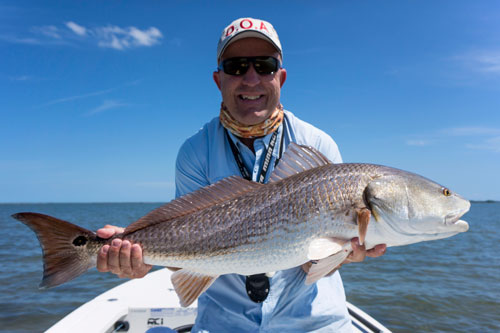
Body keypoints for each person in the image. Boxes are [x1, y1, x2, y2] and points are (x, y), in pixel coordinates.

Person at [96, 17, 386, 332]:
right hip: (224, 320)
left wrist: (342, 253)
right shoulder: (195, 152)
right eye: (236, 67)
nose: (251, 79)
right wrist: (138, 255)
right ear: (218, 79)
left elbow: (311, 260)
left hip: (313, 319)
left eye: (264, 65)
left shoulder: (316, 144)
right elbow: (187, 244)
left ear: (281, 77)